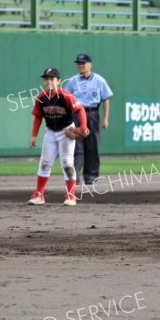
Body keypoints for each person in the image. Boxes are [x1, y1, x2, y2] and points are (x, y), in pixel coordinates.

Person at [28, 67, 88, 206]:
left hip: (66, 131)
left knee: (67, 164)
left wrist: (83, 126)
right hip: (50, 132)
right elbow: (38, 117)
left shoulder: (65, 95)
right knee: (44, 163)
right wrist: (33, 136)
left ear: (58, 81)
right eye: (46, 79)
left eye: (52, 79)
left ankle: (71, 196)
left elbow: (80, 109)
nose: (48, 81)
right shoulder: (41, 97)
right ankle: (39, 195)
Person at [65, 54, 113, 185]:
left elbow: (106, 100)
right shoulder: (73, 81)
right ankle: (74, 177)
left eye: (83, 63)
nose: (81, 65)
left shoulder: (99, 80)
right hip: (76, 114)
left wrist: (105, 118)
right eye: (79, 63)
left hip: (92, 114)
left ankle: (91, 176)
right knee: (76, 147)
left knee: (92, 146)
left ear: (90, 65)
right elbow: (66, 100)